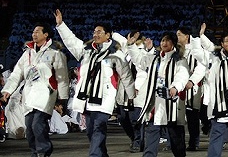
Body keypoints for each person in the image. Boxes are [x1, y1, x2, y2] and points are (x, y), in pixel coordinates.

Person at [54, 9, 136, 157]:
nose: (95, 34)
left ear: (107, 35)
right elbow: (71, 41)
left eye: (99, 32)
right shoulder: (86, 51)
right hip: (87, 99)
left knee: (99, 129)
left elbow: (126, 75)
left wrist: (131, 95)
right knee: (91, 132)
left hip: (104, 99)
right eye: (94, 32)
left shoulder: (115, 54)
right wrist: (61, 25)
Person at [1, 22, 69, 157]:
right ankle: (35, 152)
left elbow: (63, 78)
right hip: (29, 95)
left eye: (37, 31)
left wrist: (62, 100)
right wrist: (7, 91)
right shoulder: (27, 53)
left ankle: (44, 151)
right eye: (33, 32)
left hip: (46, 95)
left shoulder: (55, 53)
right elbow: (16, 74)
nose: (34, 34)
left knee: (38, 125)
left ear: (46, 35)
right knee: (30, 128)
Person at [190, 30, 228, 157]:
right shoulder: (213, 58)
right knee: (216, 135)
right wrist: (196, 37)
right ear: (222, 43)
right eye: (227, 41)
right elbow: (197, 53)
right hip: (219, 103)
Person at [126, 31, 189, 157]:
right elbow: (139, 61)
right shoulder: (155, 58)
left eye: (167, 40)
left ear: (173, 43)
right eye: (162, 40)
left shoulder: (179, 60)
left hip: (172, 104)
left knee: (176, 139)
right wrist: (131, 46)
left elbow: (183, 75)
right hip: (155, 104)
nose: (164, 43)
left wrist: (175, 87)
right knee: (151, 133)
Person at [178, 26, 207, 151]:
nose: (177, 37)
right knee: (178, 117)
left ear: (187, 36)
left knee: (192, 117)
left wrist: (192, 80)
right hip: (179, 87)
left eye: (179, 35)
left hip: (192, 88)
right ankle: (178, 143)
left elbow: (201, 67)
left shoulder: (194, 50)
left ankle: (194, 142)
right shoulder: (177, 51)